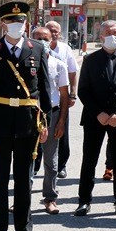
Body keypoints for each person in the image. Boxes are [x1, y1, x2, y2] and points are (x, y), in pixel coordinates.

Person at [0, 2, 51, 231]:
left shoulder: (37, 48)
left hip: (28, 124)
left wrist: (45, 123)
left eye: (21, 21)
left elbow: (45, 89)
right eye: (12, 22)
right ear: (4, 24)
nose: (17, 26)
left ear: (26, 24)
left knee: (23, 180)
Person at [75, 20, 116, 217]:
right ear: (101, 36)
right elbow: (83, 91)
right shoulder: (90, 60)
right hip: (96, 118)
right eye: (109, 33)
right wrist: (98, 113)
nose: (114, 36)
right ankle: (84, 201)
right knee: (89, 160)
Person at [32, 26, 69, 214]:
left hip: (51, 115)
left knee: (50, 160)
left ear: (52, 41)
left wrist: (61, 121)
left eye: (45, 38)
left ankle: (50, 197)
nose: (42, 42)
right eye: (37, 38)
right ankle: (22, 197)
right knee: (27, 158)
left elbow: (64, 95)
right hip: (29, 114)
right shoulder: (25, 63)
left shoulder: (58, 65)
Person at [44, 21, 77, 178]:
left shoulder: (65, 49)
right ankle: (37, 164)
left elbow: (72, 72)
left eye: (56, 30)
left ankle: (61, 165)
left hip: (60, 98)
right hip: (40, 101)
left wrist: (73, 93)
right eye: (51, 30)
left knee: (61, 132)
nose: (54, 33)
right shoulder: (35, 48)